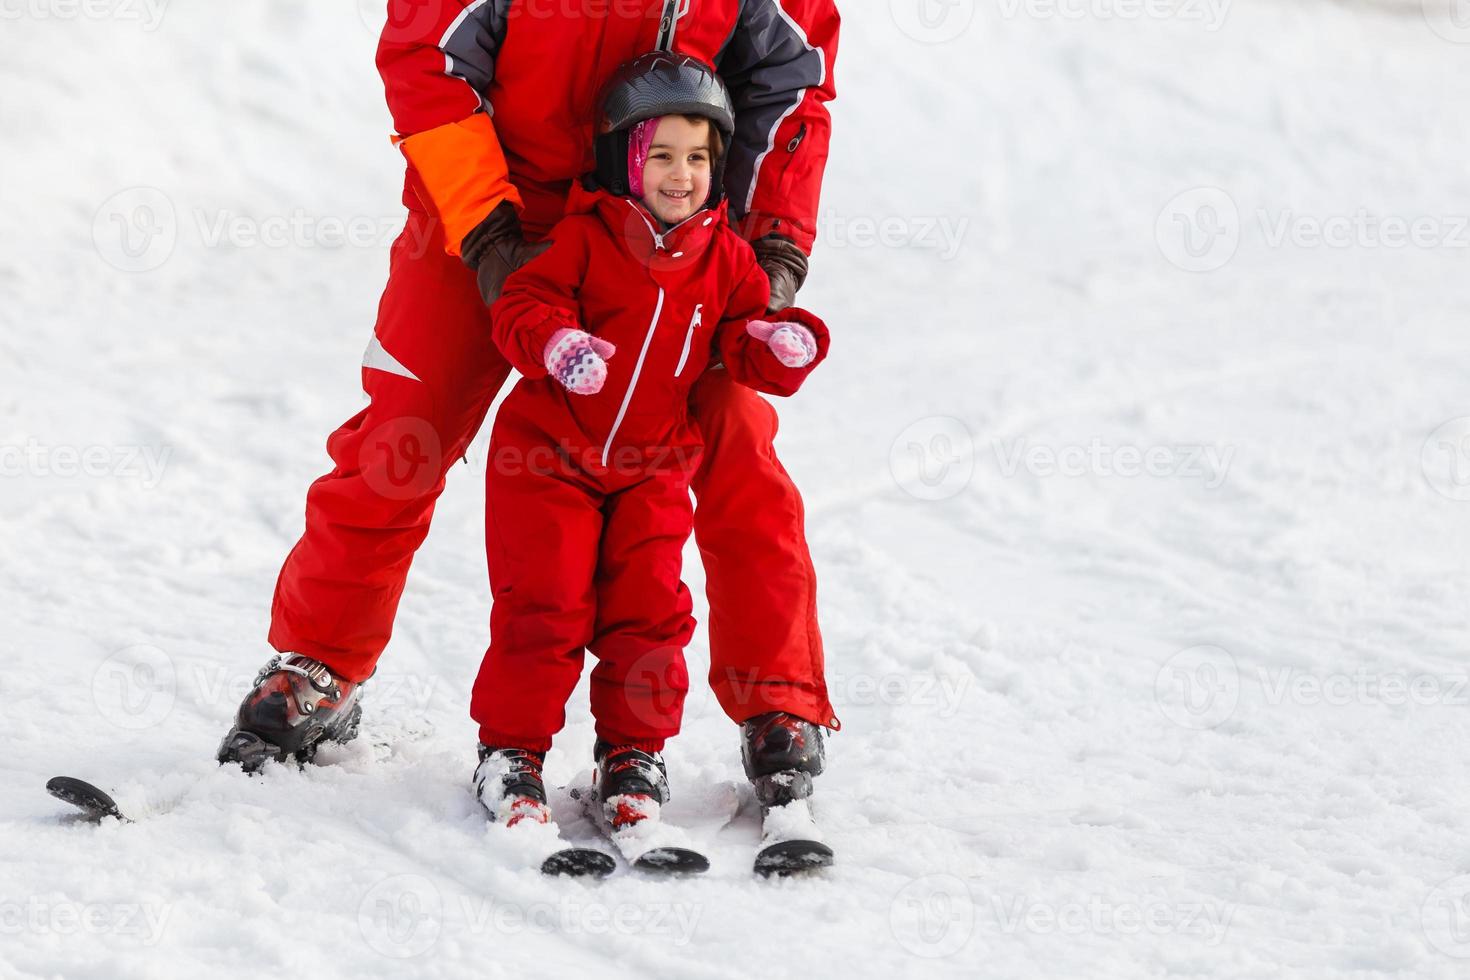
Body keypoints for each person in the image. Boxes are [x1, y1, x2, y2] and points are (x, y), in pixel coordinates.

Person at [217, 2, 841, 810]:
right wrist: (487, 233)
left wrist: (771, 250)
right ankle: (318, 664)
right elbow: (428, 58)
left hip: (666, 227)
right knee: (405, 431)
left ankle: (780, 707)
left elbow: (791, 83)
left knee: (738, 448)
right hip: (493, 212)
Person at [469, 53, 827, 831]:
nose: (681, 175)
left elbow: (743, 339)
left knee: (651, 614)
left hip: (654, 464)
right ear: (623, 160)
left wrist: (781, 340)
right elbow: (523, 303)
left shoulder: (726, 257)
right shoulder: (584, 238)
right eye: (660, 154)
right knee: (547, 607)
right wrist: (557, 344)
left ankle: (633, 752)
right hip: (550, 458)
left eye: (698, 157)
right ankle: (512, 752)